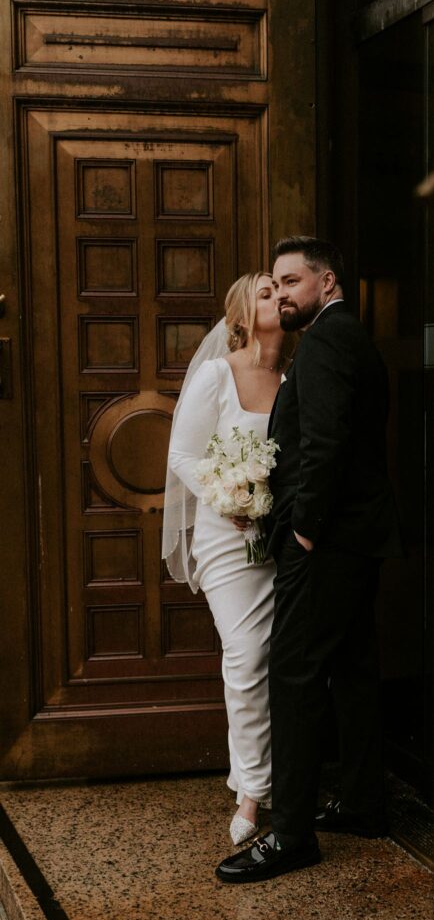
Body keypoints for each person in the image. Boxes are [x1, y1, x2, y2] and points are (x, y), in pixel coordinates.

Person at [215, 236, 402, 883]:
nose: (284, 292)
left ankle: (290, 835)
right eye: (276, 283)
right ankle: (363, 801)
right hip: (360, 536)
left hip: (325, 540)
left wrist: (305, 531)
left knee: (292, 673)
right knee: (351, 665)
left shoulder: (323, 342)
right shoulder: (352, 337)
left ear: (327, 283)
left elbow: (324, 443)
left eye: (292, 281)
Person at [163, 272, 293, 846]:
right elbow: (182, 454)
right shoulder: (218, 374)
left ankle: (266, 781)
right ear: (242, 315)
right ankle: (252, 791)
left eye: (281, 291)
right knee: (246, 654)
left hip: (280, 538)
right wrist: (229, 495)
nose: (279, 299)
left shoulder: (292, 379)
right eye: (267, 292)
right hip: (226, 536)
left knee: (280, 658)